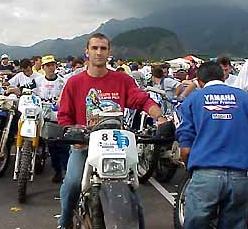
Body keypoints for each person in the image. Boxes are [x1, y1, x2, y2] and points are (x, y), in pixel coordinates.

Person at [57, 33, 167, 229]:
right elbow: (64, 117)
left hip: (117, 146)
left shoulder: (122, 80)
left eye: (103, 48)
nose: (99, 52)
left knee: (132, 191)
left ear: (109, 52)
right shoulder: (74, 83)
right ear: (87, 52)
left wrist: (159, 117)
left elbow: (142, 100)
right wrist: (71, 133)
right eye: (94, 48)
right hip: (84, 145)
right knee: (73, 183)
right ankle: (63, 223)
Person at [176, 61, 248, 229]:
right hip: (240, 177)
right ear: (223, 77)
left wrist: (189, 166)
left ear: (199, 81)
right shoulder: (247, 99)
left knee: (196, 223)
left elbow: (185, 146)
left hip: (205, 174)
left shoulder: (193, 100)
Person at [34, 55, 69, 183]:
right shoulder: (38, 81)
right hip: (43, 118)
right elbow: (26, 89)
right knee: (51, 147)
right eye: (48, 65)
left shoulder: (62, 82)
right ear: (43, 67)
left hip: (58, 118)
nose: (51, 68)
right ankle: (57, 170)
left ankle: (65, 171)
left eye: (52, 65)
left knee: (62, 146)